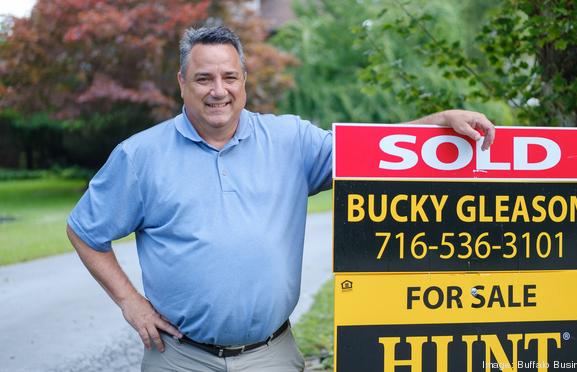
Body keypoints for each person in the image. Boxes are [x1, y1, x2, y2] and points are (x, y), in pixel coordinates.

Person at [66, 26, 495, 372]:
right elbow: (85, 231)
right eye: (204, 78)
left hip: (272, 355)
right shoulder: (140, 156)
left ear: (244, 81)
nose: (219, 90)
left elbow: (374, 153)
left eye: (230, 77)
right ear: (182, 83)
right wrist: (130, 302)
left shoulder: (291, 139)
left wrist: (438, 121)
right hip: (180, 358)